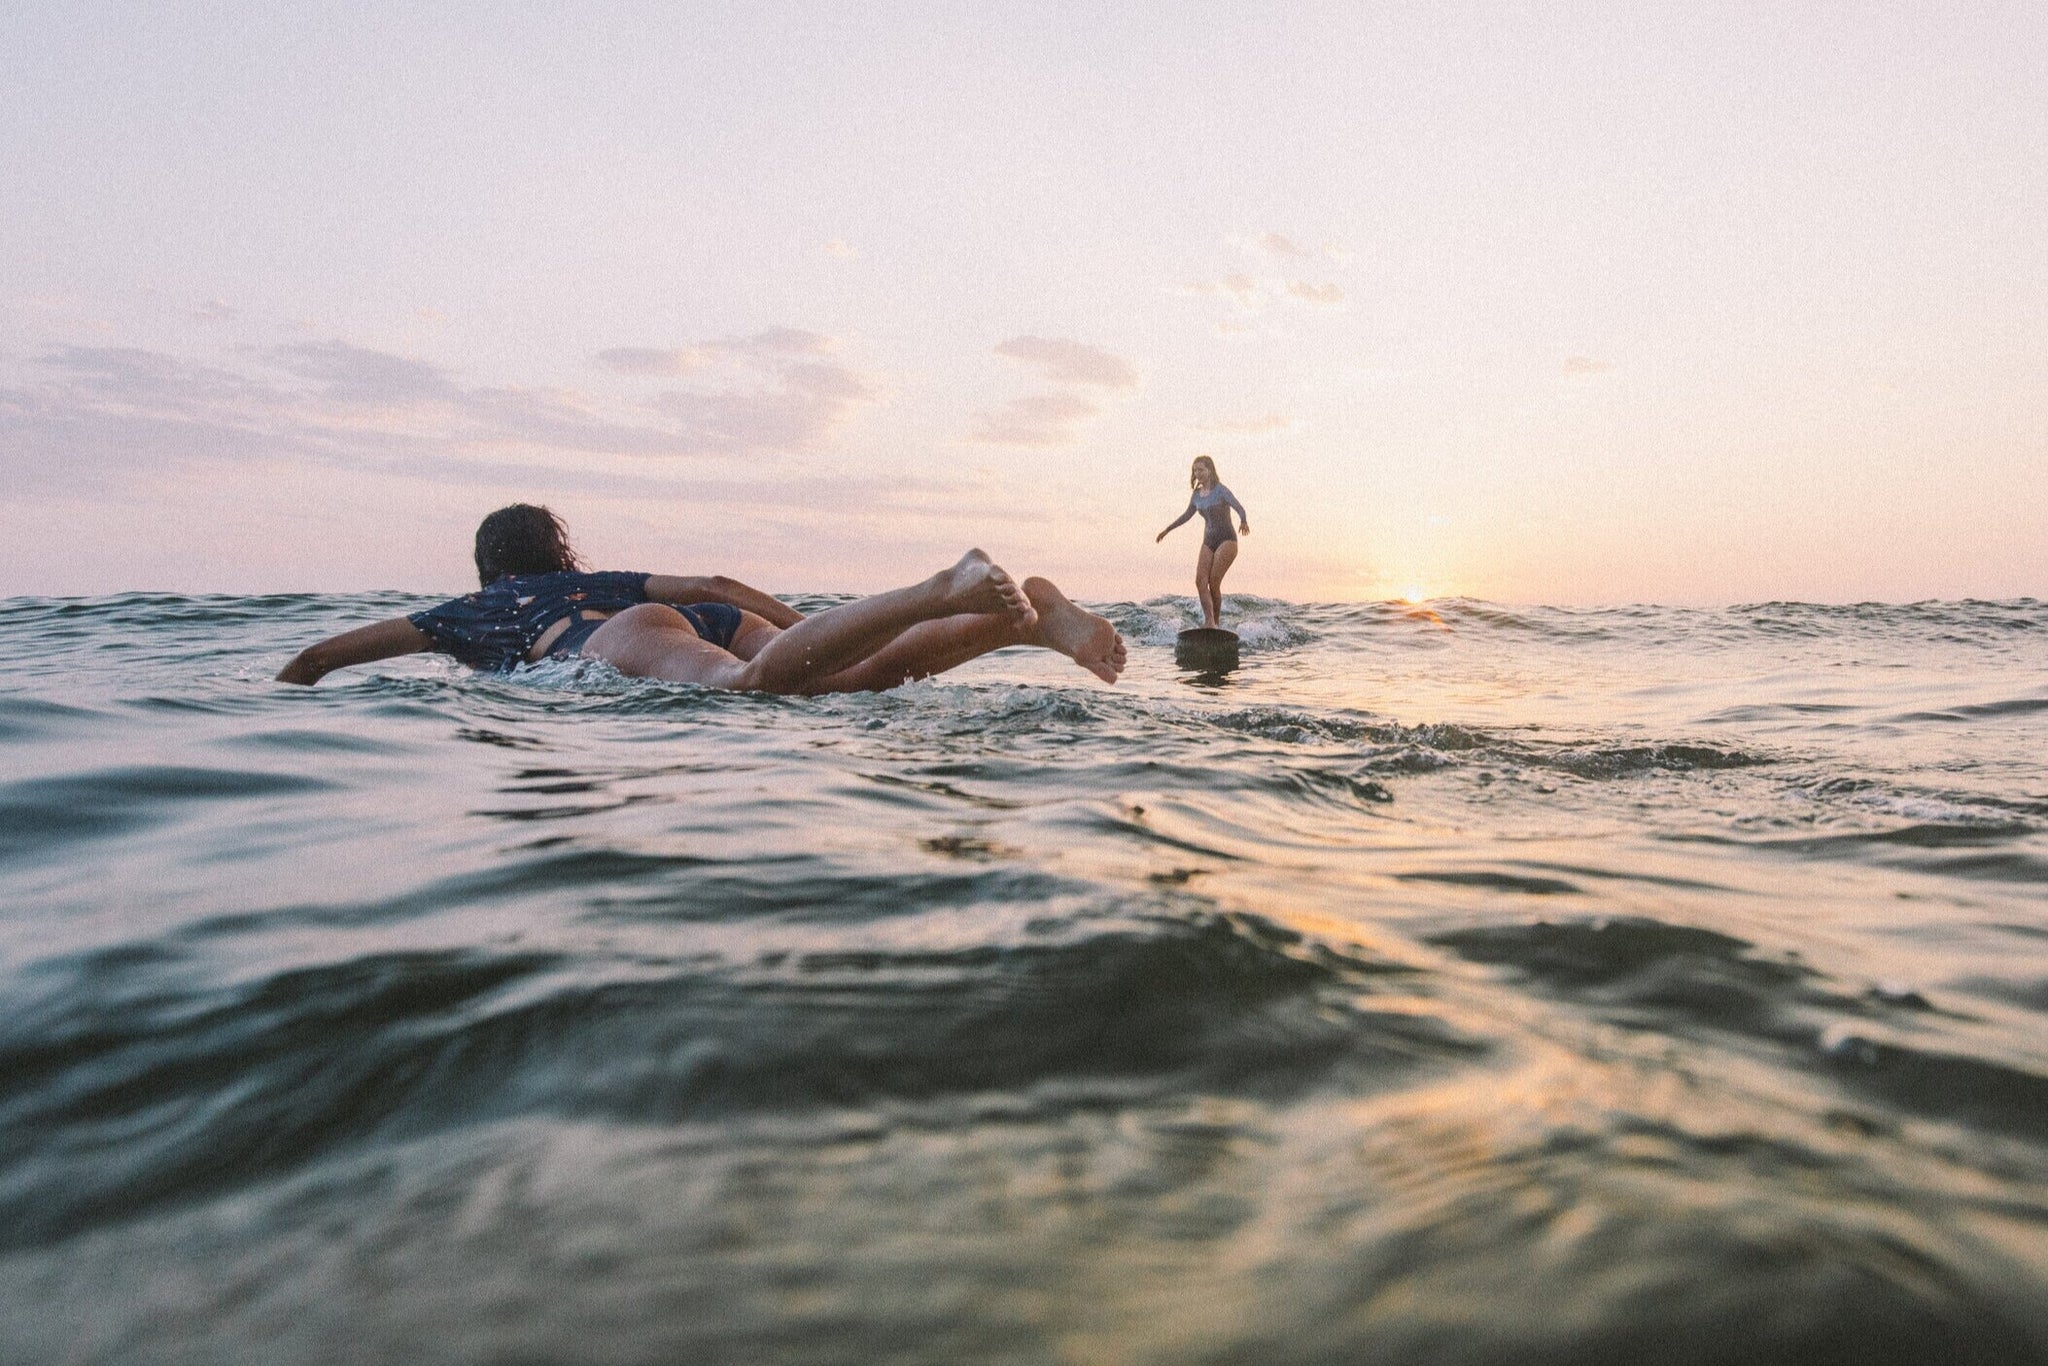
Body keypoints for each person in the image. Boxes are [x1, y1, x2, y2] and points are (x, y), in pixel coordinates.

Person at [277, 504, 1126, 691]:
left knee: (743, 693)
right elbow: (713, 588)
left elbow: (321, 657)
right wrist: (809, 629)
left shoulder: (471, 614)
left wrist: (273, 698)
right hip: (711, 617)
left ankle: (940, 589)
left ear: (487, 567)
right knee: (852, 679)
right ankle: (1014, 626)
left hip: (616, 642)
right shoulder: (590, 577)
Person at [1155, 455, 1249, 629]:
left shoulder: (1221, 490)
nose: (1197, 473)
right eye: (1195, 470)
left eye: (1201, 469)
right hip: (1208, 540)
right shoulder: (1196, 495)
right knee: (1200, 581)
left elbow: (1239, 507)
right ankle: (1209, 621)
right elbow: (1186, 515)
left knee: (1214, 582)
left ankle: (1217, 623)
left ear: (1210, 470)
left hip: (1227, 539)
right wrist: (1167, 530)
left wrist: (1243, 521)